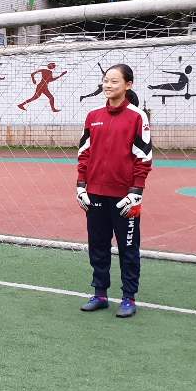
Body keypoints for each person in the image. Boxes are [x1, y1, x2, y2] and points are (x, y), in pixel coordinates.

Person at [76, 64, 152, 318]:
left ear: (128, 85)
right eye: (105, 81)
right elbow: (84, 153)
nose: (108, 85)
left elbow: (144, 157)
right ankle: (100, 293)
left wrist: (136, 191)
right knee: (97, 245)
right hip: (95, 193)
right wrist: (80, 185)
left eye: (114, 81)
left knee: (128, 248)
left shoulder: (137, 117)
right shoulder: (92, 116)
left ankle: (129, 297)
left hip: (125, 196)